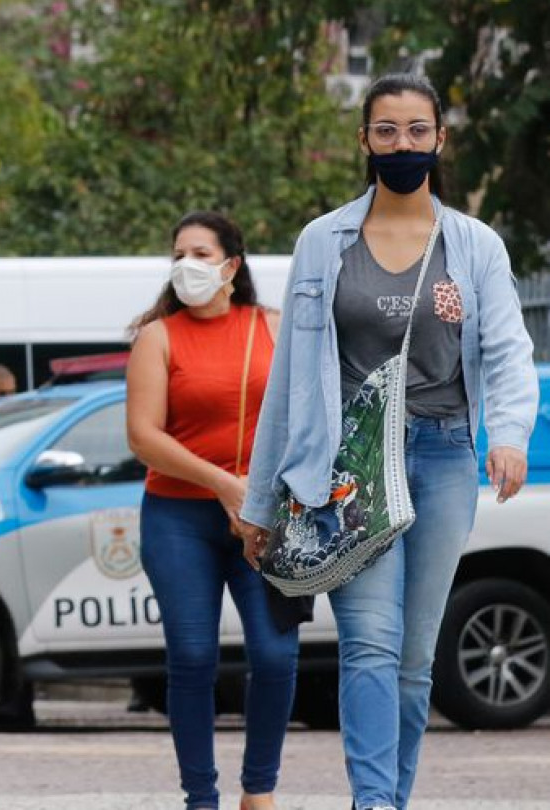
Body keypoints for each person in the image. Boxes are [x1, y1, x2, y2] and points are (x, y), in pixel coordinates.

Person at [238, 74, 537, 810]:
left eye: (414, 130)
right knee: (368, 643)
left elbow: (505, 351)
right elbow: (289, 382)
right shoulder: (322, 242)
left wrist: (506, 436)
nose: (400, 144)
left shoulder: (474, 245)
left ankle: (387, 802)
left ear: (439, 139)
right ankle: (372, 803)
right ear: (364, 140)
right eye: (385, 131)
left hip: (440, 457)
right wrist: (257, 499)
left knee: (411, 659)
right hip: (348, 468)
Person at [125, 212, 296, 810]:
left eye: (200, 253)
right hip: (178, 518)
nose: (186, 265)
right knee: (193, 657)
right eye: (178, 254)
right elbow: (143, 437)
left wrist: (264, 493)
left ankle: (259, 788)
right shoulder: (158, 335)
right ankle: (201, 796)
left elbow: (308, 415)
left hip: (265, 520)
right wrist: (226, 485)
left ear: (232, 265)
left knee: (276, 654)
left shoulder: (273, 326)